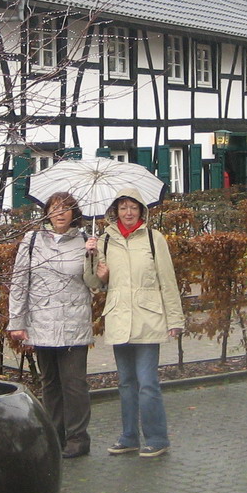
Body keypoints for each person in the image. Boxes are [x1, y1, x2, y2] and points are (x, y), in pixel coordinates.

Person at [7, 191, 101, 458]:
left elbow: (96, 285)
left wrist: (93, 257)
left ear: (74, 214)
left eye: (66, 209)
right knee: (50, 383)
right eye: (54, 208)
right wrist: (17, 320)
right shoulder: (32, 240)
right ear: (46, 212)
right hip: (41, 322)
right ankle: (54, 436)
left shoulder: (85, 240)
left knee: (74, 384)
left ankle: (78, 439)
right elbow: (19, 282)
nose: (60, 213)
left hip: (74, 323)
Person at [93, 187, 184, 458]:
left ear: (142, 211)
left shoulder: (154, 240)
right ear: (115, 211)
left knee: (146, 382)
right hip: (119, 317)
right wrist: (96, 267)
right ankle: (129, 437)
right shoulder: (104, 241)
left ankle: (157, 438)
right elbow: (95, 284)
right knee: (125, 382)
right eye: (123, 208)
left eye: (133, 207)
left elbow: (167, 281)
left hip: (148, 318)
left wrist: (175, 318)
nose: (128, 212)